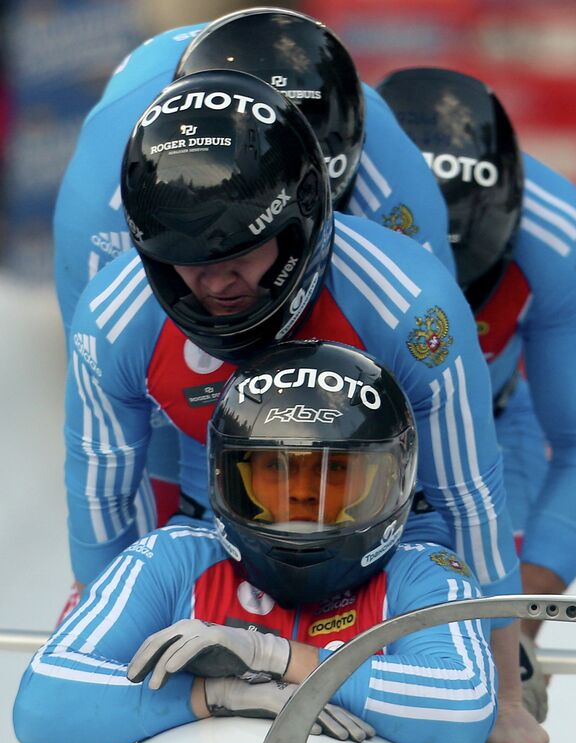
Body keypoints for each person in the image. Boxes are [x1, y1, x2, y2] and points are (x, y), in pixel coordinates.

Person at [62, 69, 546, 743]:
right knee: (87, 666)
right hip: (214, 520)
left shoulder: (409, 305)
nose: (213, 285)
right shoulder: (114, 318)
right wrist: (187, 693)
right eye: (187, 262)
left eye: (237, 256)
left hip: (384, 528)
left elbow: (469, 503)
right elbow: (105, 517)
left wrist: (506, 694)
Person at [53, 7, 455, 531]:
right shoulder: (102, 202)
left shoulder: (391, 182)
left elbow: (434, 380)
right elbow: (120, 404)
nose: (219, 276)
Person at [14, 340, 497, 743]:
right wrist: (214, 695)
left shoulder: (427, 575)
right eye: (277, 469)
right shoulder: (173, 561)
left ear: (391, 481)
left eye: (338, 474)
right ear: (231, 476)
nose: (305, 494)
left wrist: (276, 658)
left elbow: (465, 709)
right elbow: (43, 705)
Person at [376, 67, 576, 721]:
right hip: (346, 435)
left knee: (486, 682)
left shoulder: (561, 235)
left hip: (490, 433)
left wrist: (513, 624)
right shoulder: (322, 202)